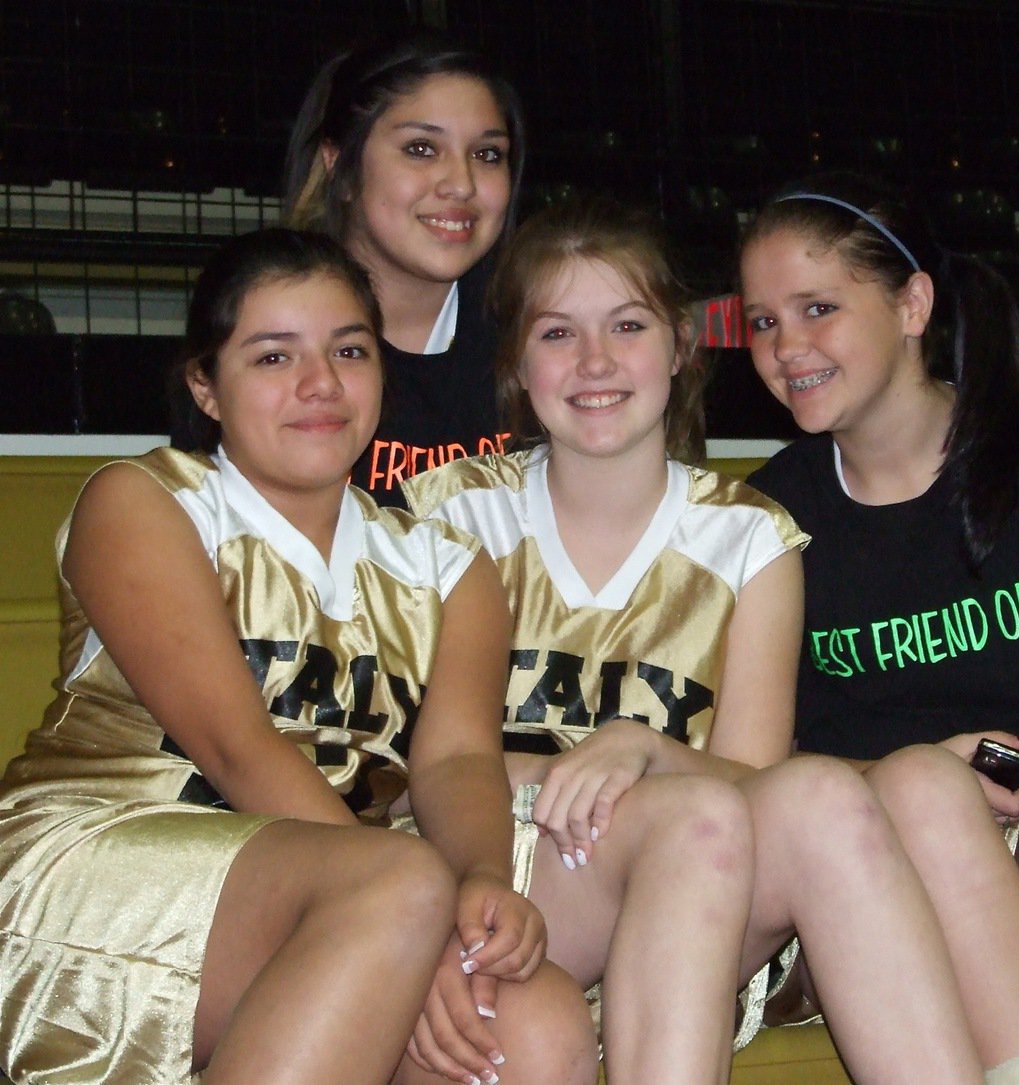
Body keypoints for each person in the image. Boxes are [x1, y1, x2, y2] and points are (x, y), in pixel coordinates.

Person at [404, 196, 989, 1085]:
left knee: (816, 794)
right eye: (558, 333)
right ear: (518, 364)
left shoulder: (751, 537)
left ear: (679, 346)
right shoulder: (448, 510)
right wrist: (562, 777)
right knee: (695, 811)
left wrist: (647, 750)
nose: (596, 361)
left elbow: (752, 778)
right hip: (499, 868)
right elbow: (412, 750)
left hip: (693, 891)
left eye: (628, 325)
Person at [0, 228, 598, 1085]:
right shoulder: (145, 500)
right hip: (94, 867)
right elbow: (236, 748)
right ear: (206, 386)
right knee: (396, 882)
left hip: (347, 892)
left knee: (535, 1021)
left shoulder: (447, 565)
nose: (321, 384)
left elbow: (460, 757)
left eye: (349, 350)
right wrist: (413, 909)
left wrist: (477, 884)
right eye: (273, 357)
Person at [740, 172, 1019, 1084]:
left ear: (913, 304)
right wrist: (953, 768)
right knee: (921, 784)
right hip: (890, 871)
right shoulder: (767, 520)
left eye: (818, 307)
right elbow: (757, 781)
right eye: (761, 322)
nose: (786, 347)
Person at [282, 35, 522, 506]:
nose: (461, 184)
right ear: (341, 166)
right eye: (421, 149)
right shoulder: (263, 326)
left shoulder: (541, 326)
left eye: (487, 154)